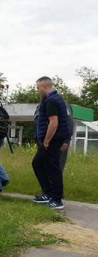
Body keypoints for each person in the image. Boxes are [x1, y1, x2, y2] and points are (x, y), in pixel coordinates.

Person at [32, 76, 72, 210]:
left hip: (52, 140)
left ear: (44, 87)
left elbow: (53, 123)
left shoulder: (51, 101)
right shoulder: (52, 99)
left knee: (53, 168)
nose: (37, 90)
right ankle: (48, 193)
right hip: (50, 139)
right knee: (38, 164)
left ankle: (57, 198)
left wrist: (47, 141)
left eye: (38, 88)